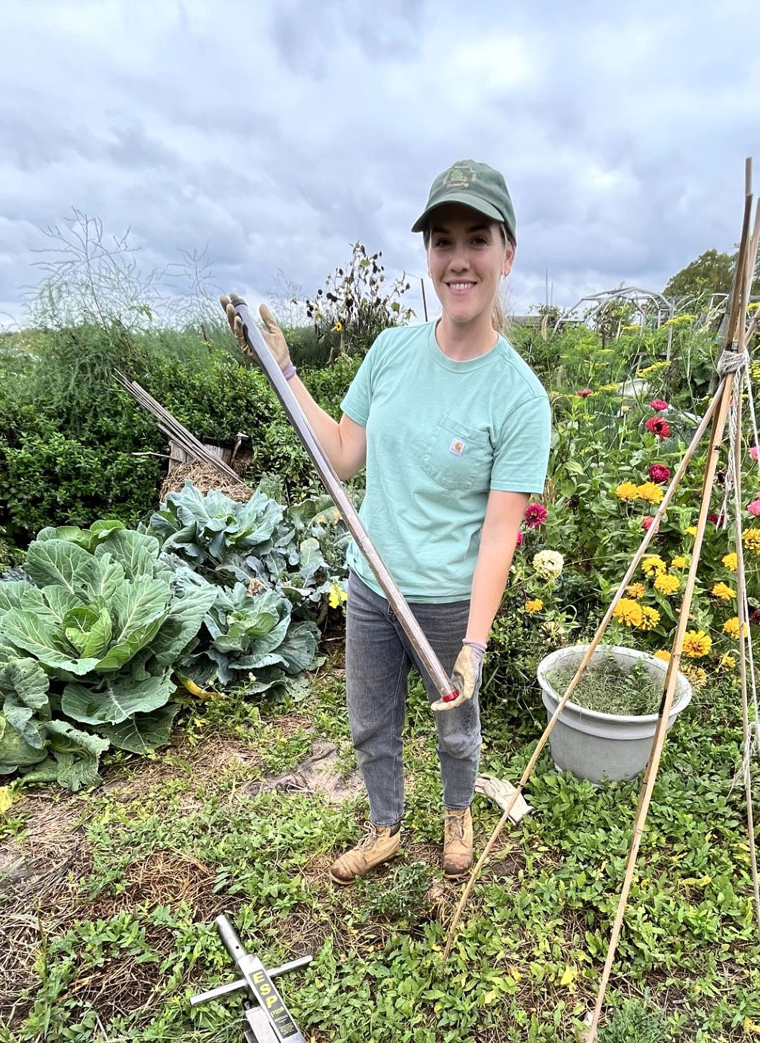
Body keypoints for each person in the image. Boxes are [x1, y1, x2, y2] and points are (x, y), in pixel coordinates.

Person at [223, 160, 550, 884]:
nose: (457, 259)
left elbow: (501, 531)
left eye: (476, 239)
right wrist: (286, 372)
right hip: (373, 586)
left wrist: (475, 642)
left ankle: (458, 814)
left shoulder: (520, 399)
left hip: (447, 600)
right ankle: (384, 826)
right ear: (428, 256)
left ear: (507, 254)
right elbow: (341, 457)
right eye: (441, 241)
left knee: (455, 726)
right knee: (372, 723)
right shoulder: (391, 353)